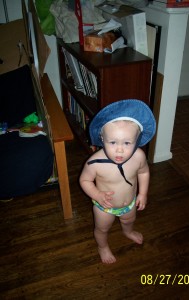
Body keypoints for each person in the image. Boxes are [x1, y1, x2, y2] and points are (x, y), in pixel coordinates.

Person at [79, 99, 156, 264]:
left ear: (137, 140)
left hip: (129, 204)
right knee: (102, 229)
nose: (120, 149)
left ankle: (127, 232)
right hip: (104, 207)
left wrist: (142, 193)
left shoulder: (138, 157)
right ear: (102, 138)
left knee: (129, 220)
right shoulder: (94, 162)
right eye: (113, 142)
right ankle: (103, 247)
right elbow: (84, 180)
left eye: (127, 143)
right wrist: (97, 194)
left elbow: (144, 172)